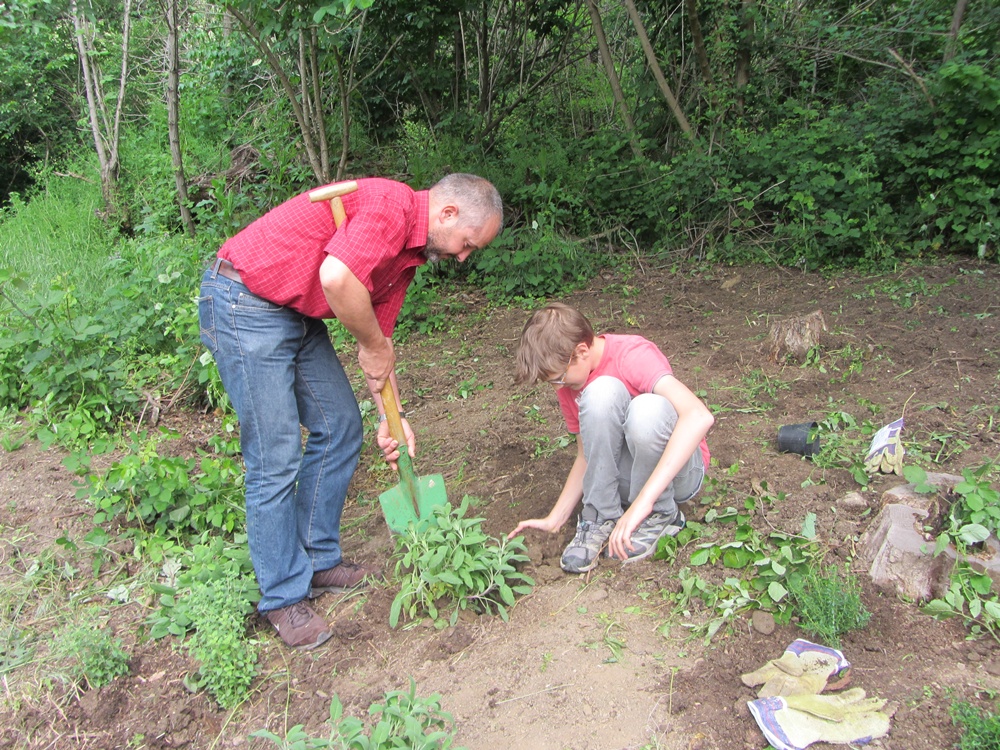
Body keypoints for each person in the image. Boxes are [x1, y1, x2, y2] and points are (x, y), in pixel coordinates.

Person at [198, 174, 503, 649]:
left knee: (340, 425)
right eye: (467, 244)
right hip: (245, 301)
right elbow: (337, 278)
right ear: (447, 214)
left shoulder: (406, 260)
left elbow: (380, 342)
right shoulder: (390, 206)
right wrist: (373, 347)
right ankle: (281, 596)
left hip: (292, 311)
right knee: (275, 456)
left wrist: (393, 415)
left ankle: (319, 558)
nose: (464, 257)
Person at [508, 303, 713, 573]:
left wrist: (643, 504)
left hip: (679, 474)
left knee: (646, 409)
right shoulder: (572, 381)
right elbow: (587, 455)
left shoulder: (632, 355)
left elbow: (699, 416)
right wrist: (555, 518)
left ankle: (659, 515)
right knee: (599, 392)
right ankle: (601, 517)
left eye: (558, 379)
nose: (558, 387)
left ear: (581, 351)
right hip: (629, 477)